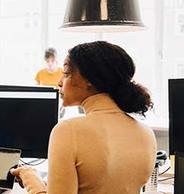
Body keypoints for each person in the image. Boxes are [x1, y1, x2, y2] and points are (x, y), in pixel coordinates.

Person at [11, 41, 157, 194]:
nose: (60, 82)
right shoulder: (146, 134)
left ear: (89, 79)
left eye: (66, 74)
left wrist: (29, 176)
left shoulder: (68, 131)